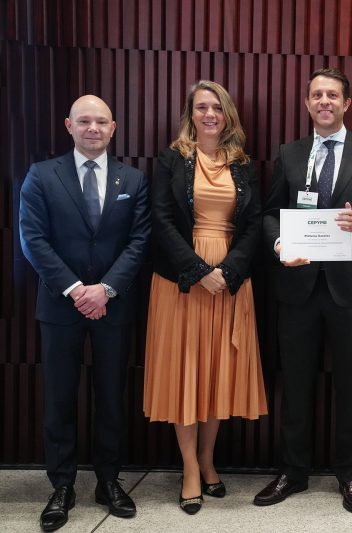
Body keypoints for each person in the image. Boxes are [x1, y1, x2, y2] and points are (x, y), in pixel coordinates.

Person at [256, 67, 352, 513]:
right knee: (295, 385)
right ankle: (292, 472)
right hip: (297, 285)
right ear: (307, 103)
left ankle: (349, 474)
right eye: (317, 95)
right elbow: (269, 213)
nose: (324, 102)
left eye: (332, 95)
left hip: (350, 290)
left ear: (346, 104)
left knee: (351, 387)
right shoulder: (290, 153)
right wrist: (279, 244)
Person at [19, 95, 150, 531]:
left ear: (113, 128)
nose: (93, 128)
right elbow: (33, 239)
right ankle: (62, 486)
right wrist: (77, 290)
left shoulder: (134, 178)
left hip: (114, 305)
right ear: (68, 125)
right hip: (60, 305)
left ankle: (109, 481)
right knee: (59, 398)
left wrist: (105, 289)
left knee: (111, 396)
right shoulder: (42, 175)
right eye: (84, 121)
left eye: (101, 122)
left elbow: (139, 241)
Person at [143, 80, 267, 515]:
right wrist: (198, 271)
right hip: (181, 281)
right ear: (190, 115)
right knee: (186, 372)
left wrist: (227, 272)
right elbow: (160, 219)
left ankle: (209, 459)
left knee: (216, 374)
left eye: (217, 107)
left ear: (227, 114)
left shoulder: (243, 165)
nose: (210, 114)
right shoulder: (171, 159)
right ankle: (190, 467)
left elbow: (254, 224)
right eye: (201, 107)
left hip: (229, 279)